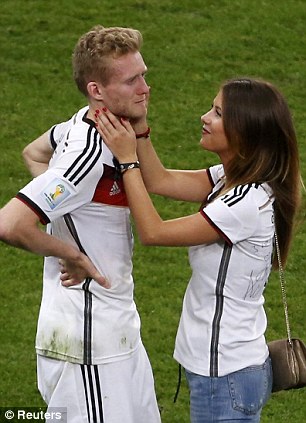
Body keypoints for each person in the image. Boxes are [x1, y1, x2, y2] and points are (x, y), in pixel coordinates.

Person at [91, 77, 302, 422]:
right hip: (230, 367)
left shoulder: (245, 203)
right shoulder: (233, 177)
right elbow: (159, 181)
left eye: (218, 113)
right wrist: (140, 128)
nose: (205, 117)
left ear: (244, 133)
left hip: (225, 375)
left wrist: (127, 159)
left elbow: (153, 232)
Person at [0, 26, 162, 423]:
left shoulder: (89, 126)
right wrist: (71, 252)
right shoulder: (87, 155)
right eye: (132, 80)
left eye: (143, 73)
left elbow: (34, 151)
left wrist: (64, 210)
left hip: (115, 328)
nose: (145, 87)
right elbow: (10, 224)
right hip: (86, 344)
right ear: (97, 91)